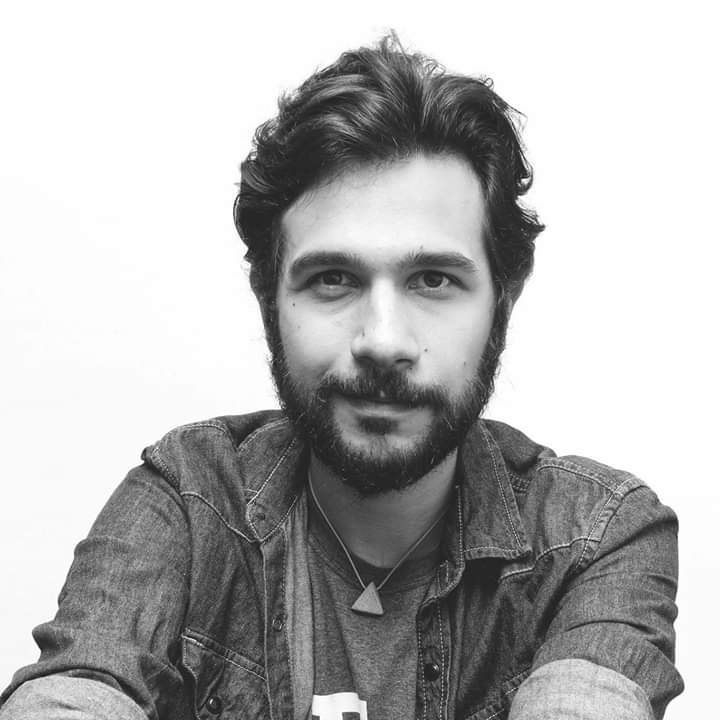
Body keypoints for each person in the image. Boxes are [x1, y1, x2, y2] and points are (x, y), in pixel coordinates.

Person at [0, 35, 683, 720]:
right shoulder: (187, 500)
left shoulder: (595, 535)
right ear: (270, 297)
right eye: (333, 278)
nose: (382, 341)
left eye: (433, 279)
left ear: (503, 298)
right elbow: (77, 691)